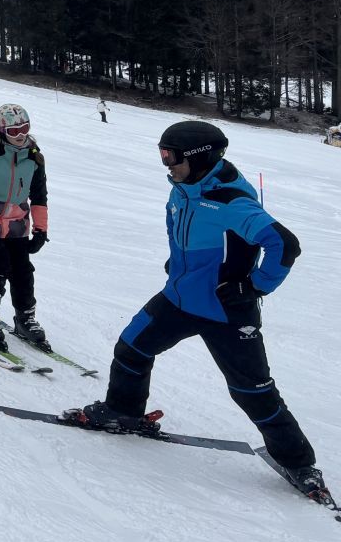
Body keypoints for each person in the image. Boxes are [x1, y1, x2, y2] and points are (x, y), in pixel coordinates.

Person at [66, 121, 329, 503]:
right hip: (179, 299)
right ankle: (122, 412)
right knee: (131, 350)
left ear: (199, 157)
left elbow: (284, 244)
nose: (166, 164)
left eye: (170, 156)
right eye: (162, 155)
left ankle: (299, 463)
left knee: (252, 392)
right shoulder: (184, 189)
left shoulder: (230, 201)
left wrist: (254, 286)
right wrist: (178, 267)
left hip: (226, 311)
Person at [0, 104, 48, 349]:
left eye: (24, 128)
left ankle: (25, 317)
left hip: (17, 220)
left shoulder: (34, 158)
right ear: (1, 131)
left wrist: (40, 229)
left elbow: (39, 196)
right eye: (14, 131)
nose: (20, 134)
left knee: (23, 268)